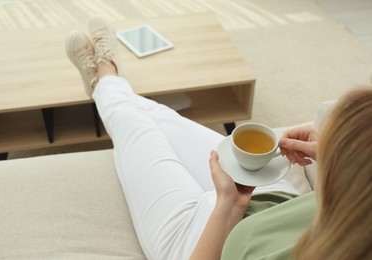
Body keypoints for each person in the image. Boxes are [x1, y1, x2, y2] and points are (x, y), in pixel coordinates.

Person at [66, 17, 372, 260]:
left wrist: (229, 205)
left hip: (197, 238)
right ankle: (114, 84)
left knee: (134, 127)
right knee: (160, 118)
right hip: (272, 193)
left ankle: (104, 77)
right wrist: (335, 155)